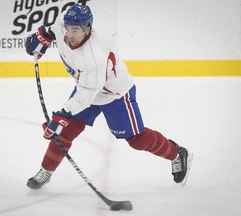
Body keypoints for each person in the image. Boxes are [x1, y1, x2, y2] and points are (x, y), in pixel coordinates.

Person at [25, 3, 193, 189]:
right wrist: (43, 37)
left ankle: (177, 153)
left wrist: (62, 115)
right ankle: (46, 170)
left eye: (76, 30)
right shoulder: (63, 26)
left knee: (136, 139)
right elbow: (52, 30)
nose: (70, 35)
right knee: (64, 132)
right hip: (87, 87)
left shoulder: (94, 55)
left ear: (88, 29)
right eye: (68, 29)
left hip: (115, 94)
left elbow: (89, 92)